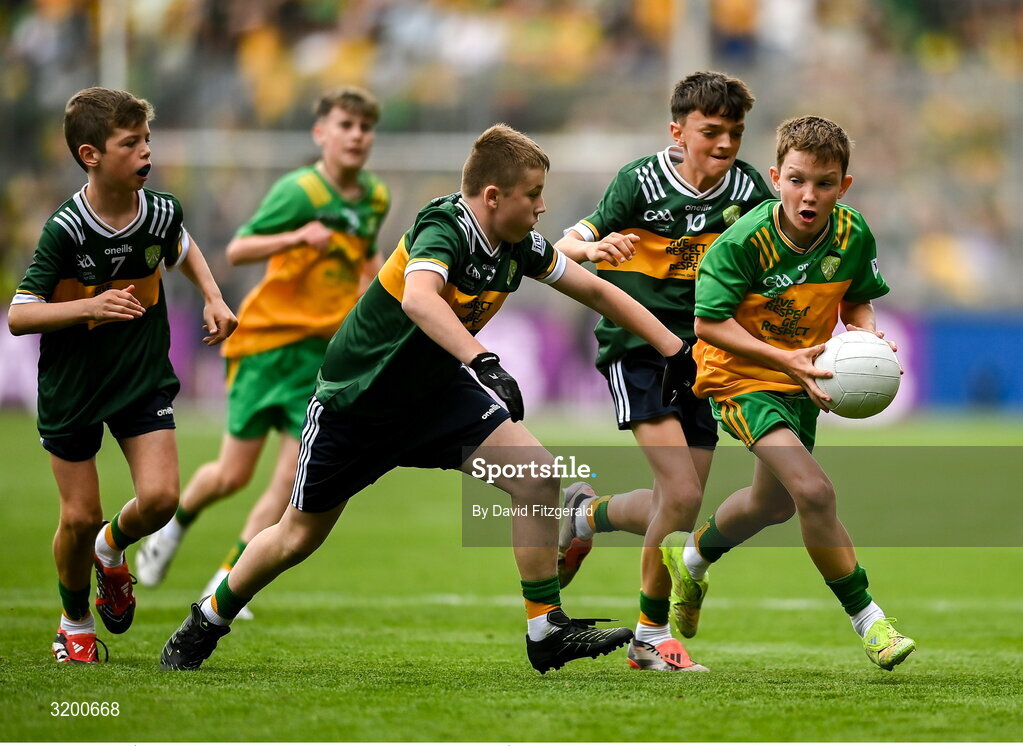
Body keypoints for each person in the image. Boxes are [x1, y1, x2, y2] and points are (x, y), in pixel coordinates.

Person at [159, 123, 698, 674]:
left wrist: (675, 349)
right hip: (359, 401)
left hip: (437, 393)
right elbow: (420, 300)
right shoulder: (444, 224)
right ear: (493, 197)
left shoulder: (518, 246)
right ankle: (208, 618)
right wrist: (483, 360)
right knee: (298, 536)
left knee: (536, 473)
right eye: (533, 194)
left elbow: (594, 288)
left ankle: (545, 629)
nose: (542, 207)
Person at [667, 115, 915, 670]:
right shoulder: (742, 243)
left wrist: (865, 340)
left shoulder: (852, 234)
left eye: (824, 183)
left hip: (804, 373)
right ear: (777, 176)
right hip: (738, 376)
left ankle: (689, 561)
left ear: (843, 186)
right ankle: (872, 624)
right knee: (814, 491)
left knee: (771, 503)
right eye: (798, 180)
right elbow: (708, 324)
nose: (810, 195)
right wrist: (786, 360)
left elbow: (857, 298)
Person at [135, 87, 390, 617]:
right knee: (232, 475)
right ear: (321, 133)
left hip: (323, 358)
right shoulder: (299, 191)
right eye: (346, 125)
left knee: (291, 479)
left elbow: (366, 255)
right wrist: (297, 236)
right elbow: (239, 247)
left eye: (365, 127)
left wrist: (379, 284)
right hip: (267, 346)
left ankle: (226, 578)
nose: (357, 136)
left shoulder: (375, 197)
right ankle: (172, 528)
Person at [7, 87, 237, 664]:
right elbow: (19, 314)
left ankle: (113, 550)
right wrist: (90, 306)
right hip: (73, 386)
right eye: (130, 143)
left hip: (140, 375)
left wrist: (211, 296)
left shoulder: (160, 211)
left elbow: (181, 247)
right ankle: (73, 621)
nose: (145, 153)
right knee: (78, 516)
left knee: (160, 499)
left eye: (147, 141)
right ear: (91, 154)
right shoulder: (66, 231)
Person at [553, 71, 771, 672]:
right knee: (679, 495)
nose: (724, 143)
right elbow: (563, 246)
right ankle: (649, 640)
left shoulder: (751, 192)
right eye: (710, 131)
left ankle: (583, 515)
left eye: (734, 132)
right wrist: (594, 250)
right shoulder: (639, 181)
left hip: (705, 356)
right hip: (638, 348)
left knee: (681, 500)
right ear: (678, 131)